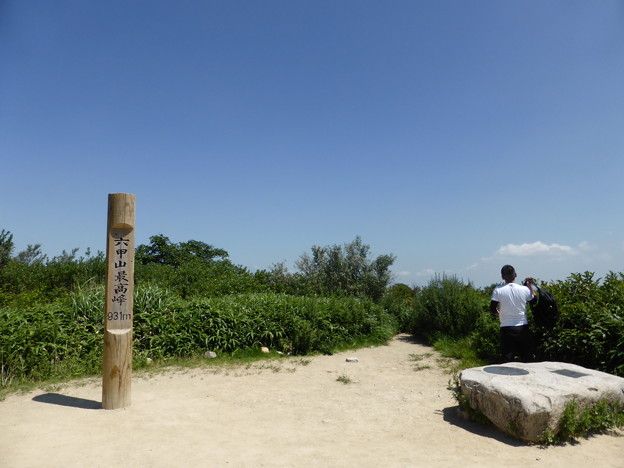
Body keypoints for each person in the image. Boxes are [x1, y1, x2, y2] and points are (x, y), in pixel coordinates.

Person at [489, 265, 537, 362]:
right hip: (523, 326)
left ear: (502, 277)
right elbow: (534, 301)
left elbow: (492, 308)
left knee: (507, 359)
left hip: (506, 327)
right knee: (527, 358)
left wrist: (498, 313)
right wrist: (530, 287)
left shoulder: (498, 290)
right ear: (515, 275)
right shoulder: (524, 289)